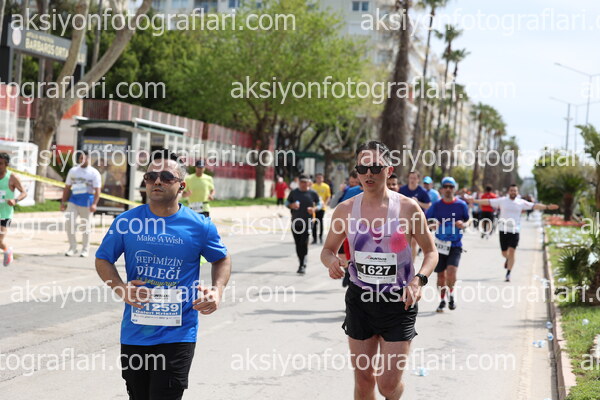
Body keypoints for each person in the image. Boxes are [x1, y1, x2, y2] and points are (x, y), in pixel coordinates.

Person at [95, 149, 231, 400]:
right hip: (135, 333)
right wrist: (120, 288)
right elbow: (103, 259)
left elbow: (221, 259)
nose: (157, 181)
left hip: (178, 334)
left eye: (166, 177)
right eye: (151, 176)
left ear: (182, 186)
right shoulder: (127, 222)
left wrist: (217, 291)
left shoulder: (199, 225)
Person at [321, 141, 437, 400]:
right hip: (360, 301)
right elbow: (327, 250)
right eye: (362, 168)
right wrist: (332, 262)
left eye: (375, 167)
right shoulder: (345, 210)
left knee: (387, 385)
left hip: (399, 302)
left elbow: (431, 252)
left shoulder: (408, 208)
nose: (368, 173)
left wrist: (418, 281)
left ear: (389, 170)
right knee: (363, 380)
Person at [469, 184, 558, 282]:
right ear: (509, 191)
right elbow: (488, 202)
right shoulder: (502, 200)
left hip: (515, 230)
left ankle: (508, 273)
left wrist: (547, 207)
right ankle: (508, 259)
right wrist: (475, 201)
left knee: (512, 251)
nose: (513, 192)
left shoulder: (521, 202)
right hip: (503, 230)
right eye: (511, 190)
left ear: (517, 192)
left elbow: (534, 206)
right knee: (504, 253)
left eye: (515, 191)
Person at [426, 177, 469, 312]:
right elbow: (426, 220)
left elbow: (468, 220)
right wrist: (432, 224)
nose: (448, 189)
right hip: (440, 245)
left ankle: (451, 294)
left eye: (451, 186)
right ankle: (442, 300)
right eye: (446, 186)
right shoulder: (436, 205)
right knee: (441, 276)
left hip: (455, 244)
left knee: (451, 272)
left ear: (454, 189)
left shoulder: (461, 205)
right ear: (442, 189)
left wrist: (464, 224)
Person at [61, 151, 102, 258]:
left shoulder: (94, 173)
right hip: (73, 201)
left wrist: (94, 204)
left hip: (87, 202)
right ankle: (72, 247)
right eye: (81, 158)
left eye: (85, 158)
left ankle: (85, 249)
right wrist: (63, 202)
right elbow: (67, 187)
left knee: (85, 226)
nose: (83, 160)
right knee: (69, 223)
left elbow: (98, 190)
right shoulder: (73, 171)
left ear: (89, 159)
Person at [286, 175, 322, 275]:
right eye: (302, 182)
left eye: (305, 182)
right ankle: (301, 261)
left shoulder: (313, 193)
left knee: (303, 243)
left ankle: (302, 264)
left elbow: (320, 204)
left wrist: (314, 209)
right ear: (299, 183)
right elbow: (286, 203)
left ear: (309, 183)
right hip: (296, 222)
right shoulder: (294, 192)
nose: (304, 184)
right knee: (298, 244)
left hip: (308, 222)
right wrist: (291, 205)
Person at [0, 153, 27, 266]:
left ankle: (7, 251)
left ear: (6, 164)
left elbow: (24, 193)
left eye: (0, 163)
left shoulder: (12, 178)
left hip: (5, 214)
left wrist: (15, 200)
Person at [399, 171, 431, 261]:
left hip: (417, 219)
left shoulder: (422, 191)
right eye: (411, 178)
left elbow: (428, 205)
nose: (412, 180)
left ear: (418, 179)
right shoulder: (402, 190)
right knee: (403, 241)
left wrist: (418, 203)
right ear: (408, 179)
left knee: (413, 243)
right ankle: (402, 261)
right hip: (404, 219)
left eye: (414, 178)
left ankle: (411, 264)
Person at [312, 173, 331, 244]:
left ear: (323, 179)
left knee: (320, 222)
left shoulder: (326, 186)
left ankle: (320, 237)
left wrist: (325, 204)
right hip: (314, 207)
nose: (319, 179)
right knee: (314, 222)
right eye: (318, 178)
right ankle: (314, 238)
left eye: (320, 178)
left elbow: (328, 196)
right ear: (316, 179)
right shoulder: (313, 186)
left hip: (322, 208)